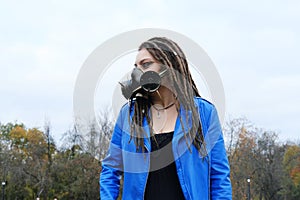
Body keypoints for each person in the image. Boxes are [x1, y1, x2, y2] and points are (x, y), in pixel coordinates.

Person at [100, 37, 232, 200]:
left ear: (169, 65)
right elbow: (110, 171)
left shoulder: (204, 113)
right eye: (136, 66)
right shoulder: (128, 114)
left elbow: (219, 179)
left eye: (146, 64)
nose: (137, 71)